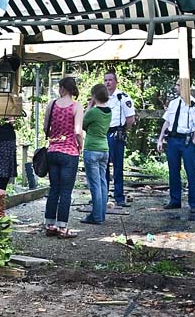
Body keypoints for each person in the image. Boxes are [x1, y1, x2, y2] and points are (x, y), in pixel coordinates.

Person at [157, 79, 195, 212]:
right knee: (173, 171)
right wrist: (160, 139)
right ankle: (175, 200)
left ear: (185, 87)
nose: (176, 87)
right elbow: (167, 122)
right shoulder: (173, 103)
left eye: (178, 85)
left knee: (191, 172)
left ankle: (194, 204)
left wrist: (193, 142)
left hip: (186, 141)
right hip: (173, 140)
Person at [44, 76, 84, 238]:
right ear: (72, 89)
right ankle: (62, 228)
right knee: (66, 191)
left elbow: (46, 127)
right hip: (69, 153)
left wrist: (53, 136)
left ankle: (49, 225)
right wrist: (80, 145)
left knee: (54, 189)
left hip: (52, 151)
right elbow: (77, 131)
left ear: (62, 88)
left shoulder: (52, 105)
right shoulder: (77, 106)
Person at [81, 84, 112, 224]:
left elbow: (82, 124)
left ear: (94, 96)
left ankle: (96, 216)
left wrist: (89, 106)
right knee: (103, 182)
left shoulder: (93, 112)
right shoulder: (109, 111)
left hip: (92, 148)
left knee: (94, 184)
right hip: (104, 149)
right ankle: (102, 214)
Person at [104, 71, 136, 207]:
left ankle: (119, 196)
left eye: (110, 80)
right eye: (105, 80)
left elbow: (130, 118)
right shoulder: (102, 97)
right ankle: (102, 195)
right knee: (103, 166)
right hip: (103, 134)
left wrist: (123, 130)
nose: (107, 82)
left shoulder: (122, 97)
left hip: (117, 134)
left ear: (116, 82)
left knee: (117, 167)